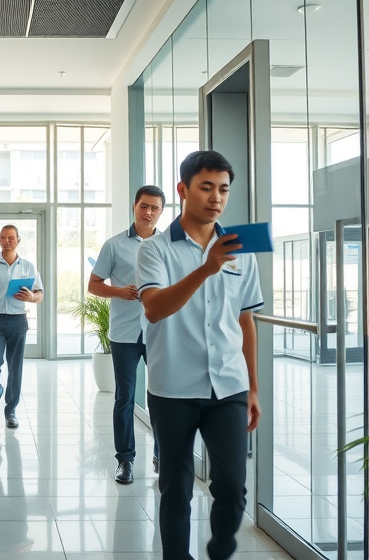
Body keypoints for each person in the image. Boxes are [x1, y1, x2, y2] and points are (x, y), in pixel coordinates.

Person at [136, 150, 263, 560]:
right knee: (176, 487)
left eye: (223, 189)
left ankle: (219, 553)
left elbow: (245, 320)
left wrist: (253, 388)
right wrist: (206, 268)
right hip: (173, 387)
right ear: (183, 189)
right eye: (206, 187)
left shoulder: (241, 249)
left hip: (228, 385)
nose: (216, 198)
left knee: (232, 487)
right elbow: (154, 309)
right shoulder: (155, 250)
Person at [88, 185, 165, 484]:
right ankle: (125, 460)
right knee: (124, 398)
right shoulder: (114, 245)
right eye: (144, 206)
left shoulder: (168, 246)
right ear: (134, 206)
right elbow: (94, 285)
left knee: (162, 398)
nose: (148, 212)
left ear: (161, 212)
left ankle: (161, 455)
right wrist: (119, 291)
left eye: (154, 208)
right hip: (124, 334)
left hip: (159, 331)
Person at [0, 225, 43, 430]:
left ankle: (10, 411)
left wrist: (32, 297)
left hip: (18, 321)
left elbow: (40, 293)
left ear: (18, 240)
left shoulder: (28, 266)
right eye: (3, 238)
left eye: (11, 238)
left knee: (15, 367)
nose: (7, 241)